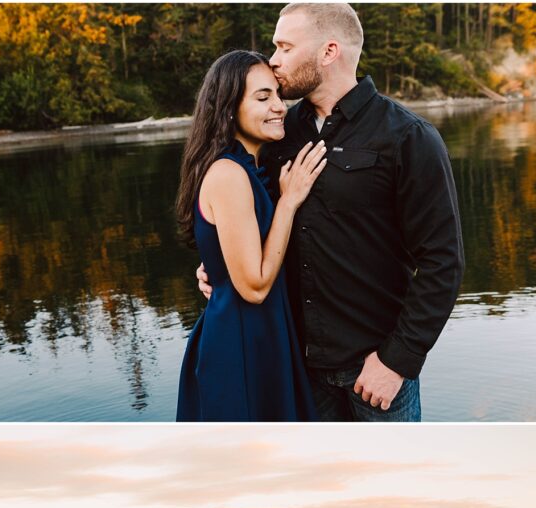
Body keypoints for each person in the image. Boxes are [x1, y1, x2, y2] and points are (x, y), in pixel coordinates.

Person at [198, 3, 465, 422]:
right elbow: (251, 218)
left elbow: (443, 261)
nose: (274, 59)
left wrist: (397, 360)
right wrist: (217, 263)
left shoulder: (408, 137)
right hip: (297, 370)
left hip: (374, 375)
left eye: (285, 46)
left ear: (328, 51)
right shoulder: (277, 135)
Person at [175, 50, 327, 421]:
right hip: (240, 346)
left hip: (265, 336)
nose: (279, 107)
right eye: (263, 98)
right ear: (229, 110)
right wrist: (289, 202)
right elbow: (254, 287)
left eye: (278, 94)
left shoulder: (255, 168)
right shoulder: (228, 175)